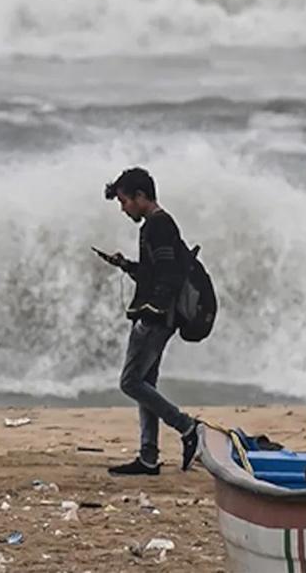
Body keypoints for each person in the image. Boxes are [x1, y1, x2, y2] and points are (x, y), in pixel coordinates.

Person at [99, 167, 199, 475]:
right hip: (158, 315)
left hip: (155, 318)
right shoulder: (156, 225)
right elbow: (156, 271)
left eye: (125, 201)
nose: (123, 208)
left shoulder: (159, 225)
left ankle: (187, 427)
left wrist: (154, 311)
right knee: (146, 383)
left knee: (130, 382)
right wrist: (126, 265)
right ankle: (148, 456)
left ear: (141, 197)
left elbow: (169, 275)